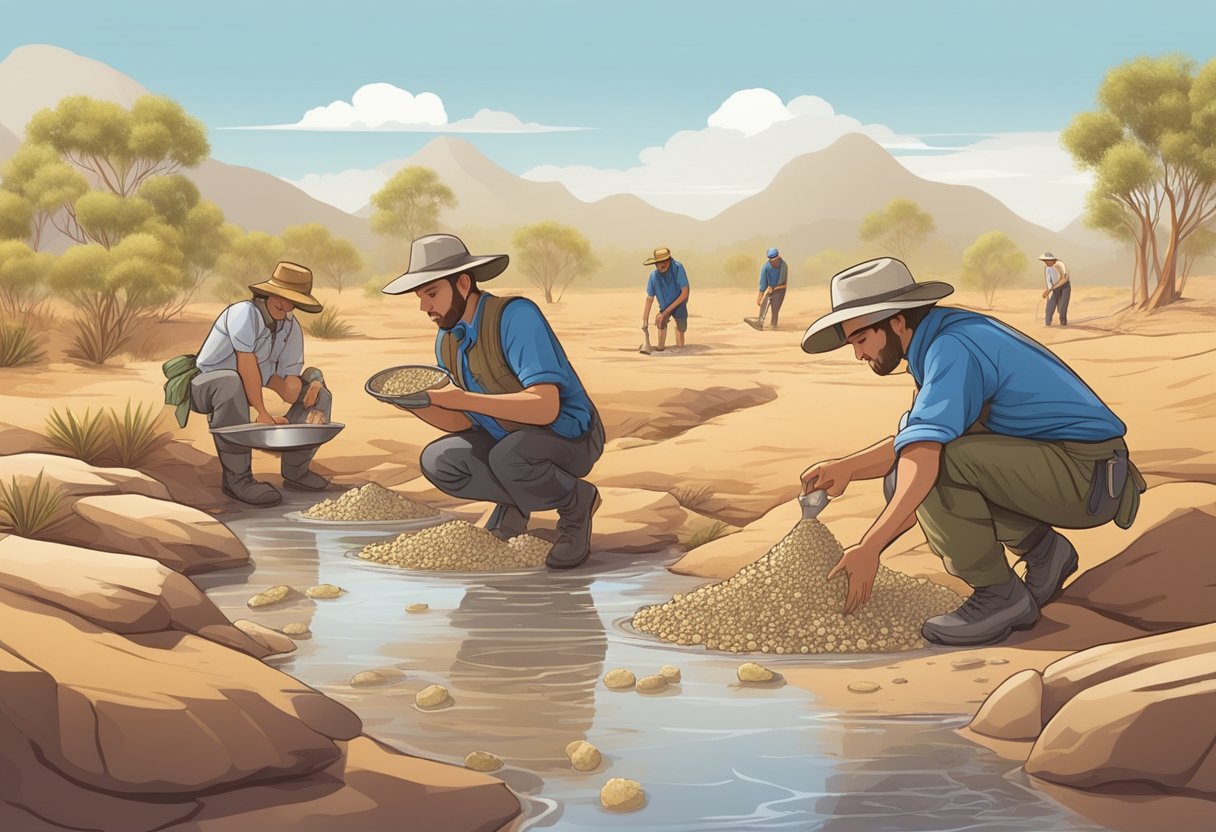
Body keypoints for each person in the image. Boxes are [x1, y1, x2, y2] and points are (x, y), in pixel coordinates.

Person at [799, 258, 1143, 646]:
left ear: (896, 322)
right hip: (1072, 468)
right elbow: (915, 440)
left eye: (861, 339)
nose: (858, 354)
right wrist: (847, 467)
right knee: (911, 470)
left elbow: (925, 455)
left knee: (935, 470)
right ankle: (1046, 552)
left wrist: (870, 547)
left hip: (1088, 476)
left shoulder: (951, 348)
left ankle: (1000, 596)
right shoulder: (938, 340)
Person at [380, 234, 604, 569]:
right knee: (440, 460)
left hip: (571, 436)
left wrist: (462, 398)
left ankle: (576, 503)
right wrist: (420, 403)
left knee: (508, 456)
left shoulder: (515, 317)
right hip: (508, 438)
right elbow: (466, 421)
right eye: (420, 296)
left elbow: (546, 407)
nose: (424, 307)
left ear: (464, 283)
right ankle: (514, 505)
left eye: (432, 293)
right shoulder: (447, 341)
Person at [187, 261, 333, 506]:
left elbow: (288, 384)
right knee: (230, 382)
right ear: (268, 292)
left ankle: (296, 470)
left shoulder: (290, 327)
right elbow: (246, 366)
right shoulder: (244, 313)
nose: (285, 304)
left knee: (320, 396)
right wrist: (263, 413)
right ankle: (237, 480)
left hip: (246, 385)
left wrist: (315, 382)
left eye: (292, 300)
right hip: (208, 385)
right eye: (281, 296)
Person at [641, 247, 690, 350]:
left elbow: (685, 293)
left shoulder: (677, 268)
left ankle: (680, 349)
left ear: (670, 260)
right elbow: (649, 299)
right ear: (655, 263)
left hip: (679, 302)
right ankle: (660, 347)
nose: (662, 264)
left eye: (665, 261)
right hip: (664, 305)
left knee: (681, 328)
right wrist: (645, 321)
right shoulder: (653, 276)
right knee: (661, 322)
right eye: (659, 262)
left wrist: (666, 312)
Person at [755, 247, 788, 330]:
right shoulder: (766, 267)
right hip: (771, 288)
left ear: (778, 257)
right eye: (772, 260)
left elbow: (783, 281)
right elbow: (763, 282)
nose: (774, 261)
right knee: (764, 304)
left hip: (780, 290)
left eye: (775, 259)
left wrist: (774, 288)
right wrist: (760, 296)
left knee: (775, 308)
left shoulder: (784, 265)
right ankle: (760, 322)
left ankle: (774, 325)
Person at [1040, 251, 1070, 326]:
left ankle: (1063, 322)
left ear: (1052, 260)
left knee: (1062, 306)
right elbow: (1048, 280)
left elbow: (1064, 277)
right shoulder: (1047, 268)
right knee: (1050, 305)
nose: (1046, 263)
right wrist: (1048, 289)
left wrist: (1050, 289)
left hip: (1064, 286)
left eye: (1047, 261)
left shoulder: (1060, 264)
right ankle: (1048, 322)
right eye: (1045, 261)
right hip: (1054, 288)